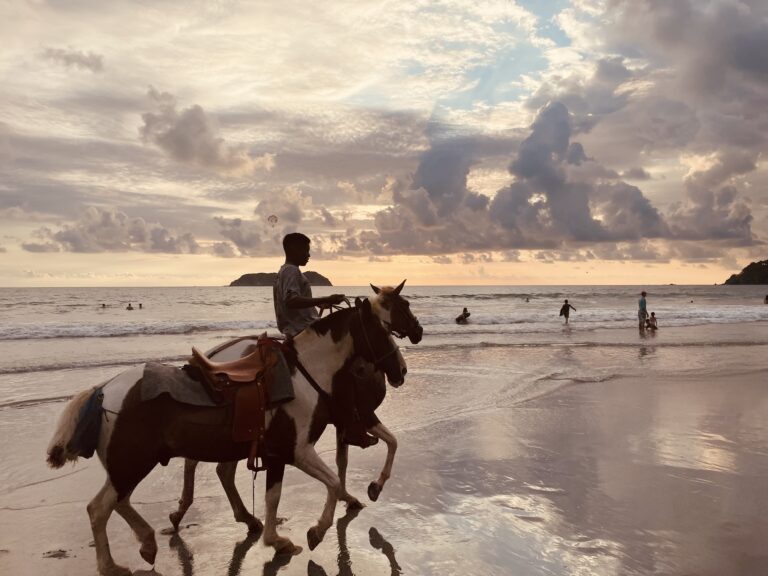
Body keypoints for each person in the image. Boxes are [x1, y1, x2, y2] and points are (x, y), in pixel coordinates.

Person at [273, 232, 377, 448]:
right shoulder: (291, 271)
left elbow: (294, 306)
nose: (309, 254)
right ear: (292, 249)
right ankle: (350, 426)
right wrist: (326, 299)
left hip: (300, 328)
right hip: (304, 334)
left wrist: (319, 308)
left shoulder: (284, 272)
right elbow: (291, 301)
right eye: (306, 249)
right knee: (347, 367)